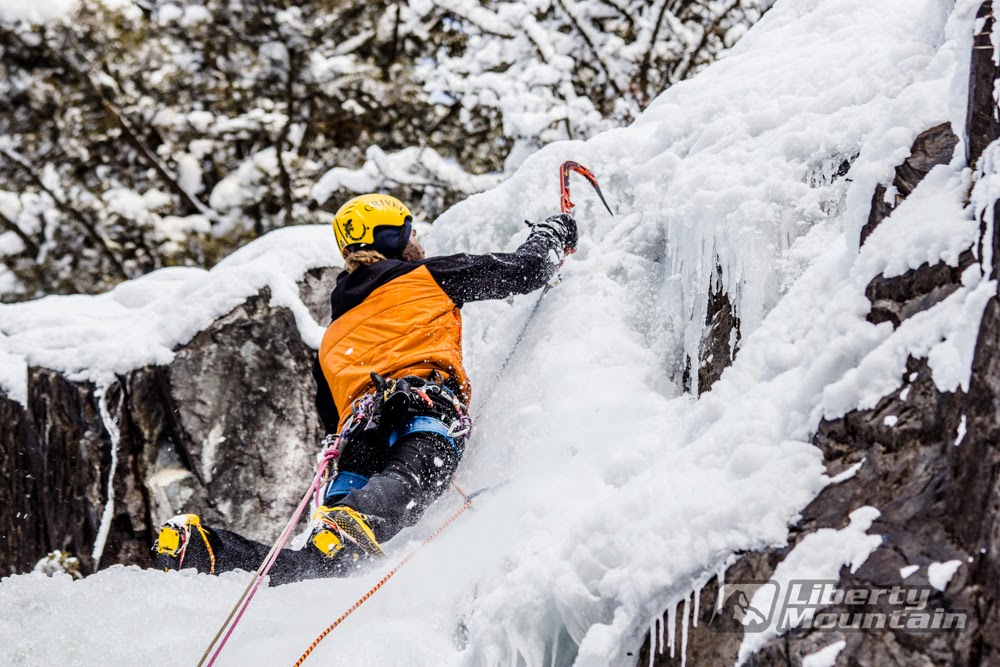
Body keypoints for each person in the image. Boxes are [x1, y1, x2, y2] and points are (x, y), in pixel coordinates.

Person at [154, 193, 577, 584]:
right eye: (409, 232)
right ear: (393, 238)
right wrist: (551, 234)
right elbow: (527, 270)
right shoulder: (425, 277)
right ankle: (352, 518)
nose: (416, 241)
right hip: (421, 409)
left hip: (357, 437)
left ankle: (213, 550)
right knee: (416, 475)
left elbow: (328, 412)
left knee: (320, 566)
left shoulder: (334, 335)